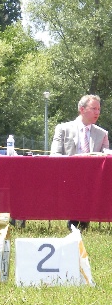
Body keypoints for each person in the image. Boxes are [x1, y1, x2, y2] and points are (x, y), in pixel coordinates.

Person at [50, 94, 109, 230]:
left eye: (99, 109)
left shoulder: (102, 134)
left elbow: (106, 158)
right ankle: (77, 220)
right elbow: (55, 155)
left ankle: (82, 220)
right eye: (94, 108)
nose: (97, 112)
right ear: (82, 109)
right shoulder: (63, 129)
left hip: (93, 179)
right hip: (67, 176)